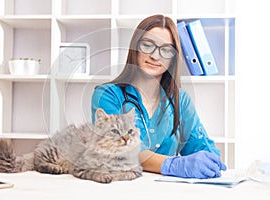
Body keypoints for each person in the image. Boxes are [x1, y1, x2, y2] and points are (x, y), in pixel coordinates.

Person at [91, 14, 226, 179]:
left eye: (166, 50)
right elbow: (118, 149)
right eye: (148, 45)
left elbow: (198, 144)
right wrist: (172, 165)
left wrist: (210, 160)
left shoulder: (180, 100)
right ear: (135, 48)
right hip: (121, 186)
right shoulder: (108, 95)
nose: (155, 56)